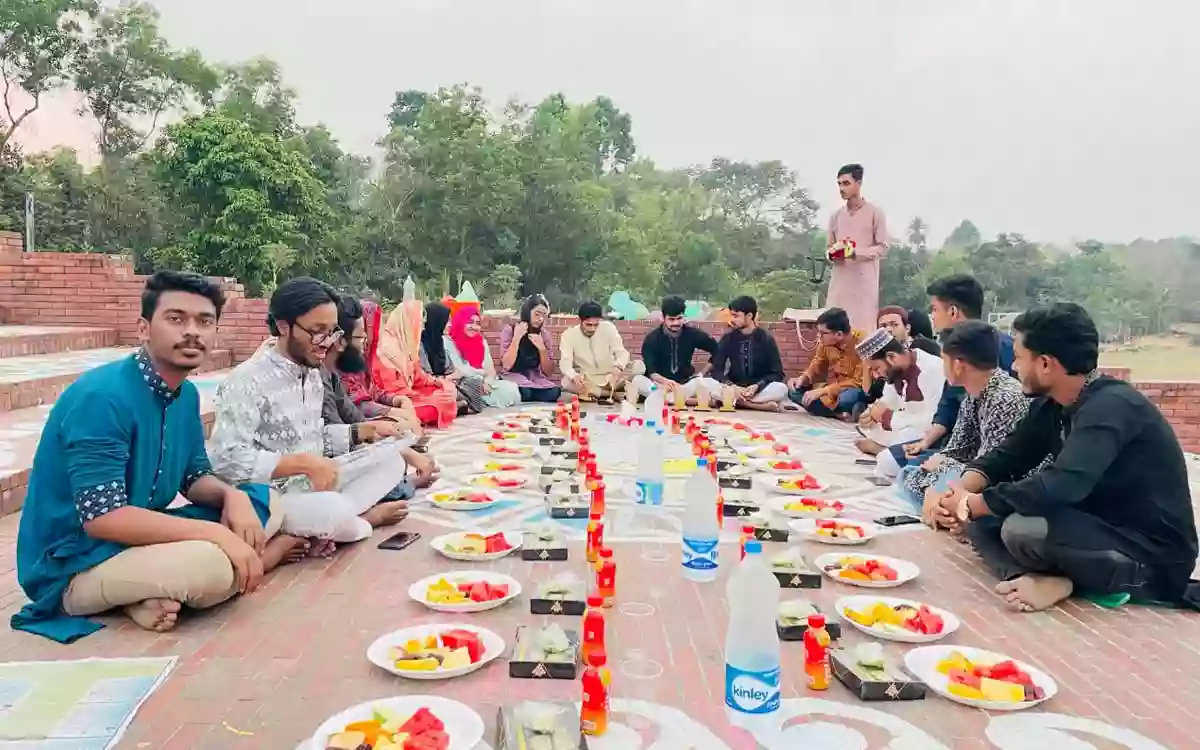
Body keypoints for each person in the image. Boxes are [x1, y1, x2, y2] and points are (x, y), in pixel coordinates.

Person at [12, 272, 306, 642]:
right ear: (143, 329)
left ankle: (140, 595)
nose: (192, 332)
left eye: (204, 321)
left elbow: (194, 478)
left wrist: (232, 497)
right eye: (176, 319)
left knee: (266, 501)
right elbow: (103, 519)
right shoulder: (101, 397)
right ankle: (257, 560)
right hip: (70, 560)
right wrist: (217, 535)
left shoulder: (185, 396)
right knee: (210, 565)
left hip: (132, 541)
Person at [931, 303, 1199, 613]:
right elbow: (1010, 454)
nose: (1014, 368)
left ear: (1045, 364)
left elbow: (1061, 485)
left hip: (1151, 553)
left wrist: (974, 503)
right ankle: (1028, 580)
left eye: (1018, 358)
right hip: (1093, 531)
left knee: (1019, 528)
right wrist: (961, 493)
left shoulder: (1111, 407)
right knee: (981, 520)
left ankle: (1065, 583)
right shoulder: (1055, 403)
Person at [208, 278, 413, 547]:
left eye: (332, 332)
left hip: (316, 483)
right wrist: (300, 465)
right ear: (283, 326)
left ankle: (328, 526)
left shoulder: (313, 374)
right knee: (332, 510)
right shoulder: (247, 380)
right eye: (318, 331)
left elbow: (313, 438)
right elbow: (224, 458)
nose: (327, 343)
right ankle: (365, 520)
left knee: (392, 461)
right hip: (274, 497)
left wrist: (359, 432)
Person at [896, 321, 1039, 512]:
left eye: (943, 360)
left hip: (1009, 486)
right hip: (971, 472)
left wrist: (942, 473)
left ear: (957, 365)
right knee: (911, 474)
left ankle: (943, 508)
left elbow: (991, 470)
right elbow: (957, 449)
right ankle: (942, 506)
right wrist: (942, 469)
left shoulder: (1005, 398)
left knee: (938, 482)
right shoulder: (973, 395)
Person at [890, 275, 1017, 474]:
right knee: (899, 462)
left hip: (990, 451)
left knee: (914, 471)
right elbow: (948, 405)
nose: (931, 316)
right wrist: (925, 443)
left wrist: (948, 461)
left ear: (953, 311)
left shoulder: (1000, 348)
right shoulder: (953, 351)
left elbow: (998, 442)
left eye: (934, 309)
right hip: (957, 442)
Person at [323, 295, 440, 496]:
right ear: (340, 341)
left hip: (346, 442)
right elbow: (339, 438)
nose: (367, 341)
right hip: (318, 465)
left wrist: (399, 406)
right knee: (391, 461)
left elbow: (355, 418)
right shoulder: (316, 375)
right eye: (361, 337)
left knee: (392, 452)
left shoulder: (330, 373)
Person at [855, 329, 945, 480]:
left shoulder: (931, 369)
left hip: (931, 435)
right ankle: (886, 448)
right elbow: (888, 400)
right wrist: (872, 413)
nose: (876, 375)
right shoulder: (896, 371)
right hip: (906, 426)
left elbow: (935, 420)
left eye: (876, 368)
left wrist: (889, 419)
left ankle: (884, 450)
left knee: (887, 461)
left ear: (891, 357)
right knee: (870, 427)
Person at [338, 299, 423, 435]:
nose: (367, 338)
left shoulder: (357, 360)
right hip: (349, 427)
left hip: (367, 413)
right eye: (361, 336)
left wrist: (397, 400)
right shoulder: (333, 369)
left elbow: (371, 390)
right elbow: (352, 409)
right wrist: (390, 412)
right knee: (402, 425)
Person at [374, 300, 459, 428]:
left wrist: (439, 383)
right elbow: (391, 388)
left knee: (444, 394)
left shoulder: (407, 344)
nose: (422, 326)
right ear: (407, 323)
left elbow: (420, 376)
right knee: (436, 404)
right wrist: (420, 396)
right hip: (397, 400)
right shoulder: (385, 349)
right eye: (419, 322)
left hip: (412, 394)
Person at [825, 163, 889, 331]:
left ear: (859, 183)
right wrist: (833, 254)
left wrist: (855, 253)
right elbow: (829, 248)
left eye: (846, 183)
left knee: (862, 333)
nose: (841, 188)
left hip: (864, 285)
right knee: (834, 330)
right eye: (839, 184)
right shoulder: (836, 216)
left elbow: (882, 247)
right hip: (840, 283)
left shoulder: (875, 213)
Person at [698, 296, 789, 409]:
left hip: (757, 390)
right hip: (733, 388)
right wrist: (731, 386)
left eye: (736, 316)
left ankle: (735, 402)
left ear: (749, 316)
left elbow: (777, 373)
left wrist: (758, 386)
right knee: (705, 383)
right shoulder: (728, 338)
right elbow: (717, 370)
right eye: (731, 315)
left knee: (781, 389)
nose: (732, 319)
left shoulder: (766, 339)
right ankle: (753, 405)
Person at [633, 294, 720, 403]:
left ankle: (672, 399)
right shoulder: (652, 339)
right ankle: (684, 400)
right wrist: (666, 383)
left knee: (709, 383)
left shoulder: (692, 334)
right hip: (660, 386)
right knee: (638, 380)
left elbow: (718, 350)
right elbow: (652, 372)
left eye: (679, 318)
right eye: (671, 319)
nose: (676, 323)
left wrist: (702, 373)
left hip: (684, 386)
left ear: (684, 316)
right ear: (663, 318)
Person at [786, 307, 868, 419]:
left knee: (848, 397)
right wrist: (803, 378)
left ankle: (842, 409)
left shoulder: (863, 344)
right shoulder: (825, 344)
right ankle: (838, 414)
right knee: (794, 391)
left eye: (822, 333)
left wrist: (824, 391)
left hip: (851, 390)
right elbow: (817, 364)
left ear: (839, 334)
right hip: (831, 391)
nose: (818, 337)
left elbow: (858, 382)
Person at [560, 301, 644, 401]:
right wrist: (574, 376)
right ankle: (609, 394)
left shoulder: (608, 328)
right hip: (590, 380)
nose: (592, 329)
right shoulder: (569, 335)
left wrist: (618, 366)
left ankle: (599, 394)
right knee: (566, 381)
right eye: (588, 325)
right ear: (580, 320)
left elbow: (622, 353)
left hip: (613, 377)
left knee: (639, 366)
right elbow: (565, 363)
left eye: (596, 325)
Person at [445, 306, 522, 408]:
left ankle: (475, 402)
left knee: (511, 388)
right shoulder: (448, 342)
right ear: (460, 322)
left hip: (482, 385)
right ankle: (472, 402)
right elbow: (458, 371)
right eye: (470, 322)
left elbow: (491, 372)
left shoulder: (481, 342)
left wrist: (488, 382)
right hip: (462, 385)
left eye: (478, 323)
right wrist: (480, 375)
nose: (474, 327)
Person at [421, 301, 486, 415]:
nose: (449, 325)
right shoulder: (420, 344)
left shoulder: (439, 341)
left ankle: (457, 405)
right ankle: (457, 406)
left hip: (448, 383)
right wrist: (445, 380)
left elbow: (451, 369)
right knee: (439, 395)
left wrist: (453, 377)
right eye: (447, 321)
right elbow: (424, 376)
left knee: (474, 381)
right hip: (430, 386)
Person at [500, 294, 561, 403]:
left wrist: (542, 348)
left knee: (554, 392)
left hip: (534, 378)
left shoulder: (544, 334)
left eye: (544, 316)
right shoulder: (510, 330)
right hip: (513, 377)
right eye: (537, 314)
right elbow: (506, 366)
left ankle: (531, 393)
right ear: (527, 313)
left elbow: (548, 372)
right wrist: (516, 338)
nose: (540, 319)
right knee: (524, 391)